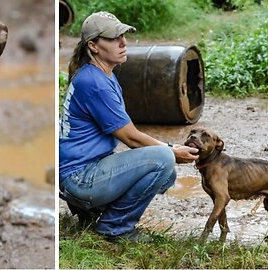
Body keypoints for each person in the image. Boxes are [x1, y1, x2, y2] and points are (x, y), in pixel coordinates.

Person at [59, 11, 199, 242]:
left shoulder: (100, 74)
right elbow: (131, 138)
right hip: (79, 178)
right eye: (114, 38)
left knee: (166, 173)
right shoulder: (95, 83)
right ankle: (115, 227)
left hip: (81, 171)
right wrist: (172, 150)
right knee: (163, 160)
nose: (123, 42)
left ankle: (92, 212)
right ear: (93, 46)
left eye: (123, 36)